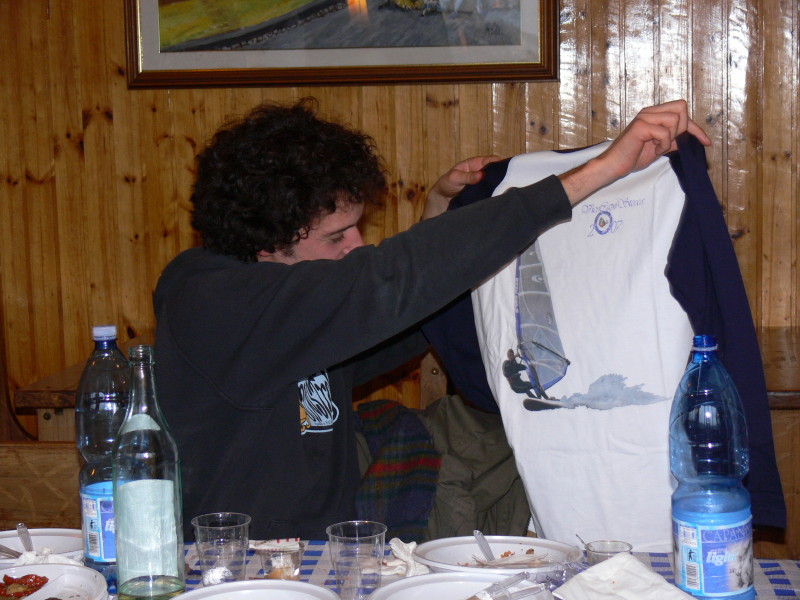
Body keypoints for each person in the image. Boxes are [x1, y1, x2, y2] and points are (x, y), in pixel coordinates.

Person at [153, 97, 710, 540]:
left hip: (327, 560)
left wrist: (442, 214)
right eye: (336, 236)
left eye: (357, 227)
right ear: (265, 245)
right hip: (234, 568)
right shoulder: (214, 304)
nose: (356, 245)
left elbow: (397, 315)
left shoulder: (296, 303)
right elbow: (383, 282)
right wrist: (604, 170)